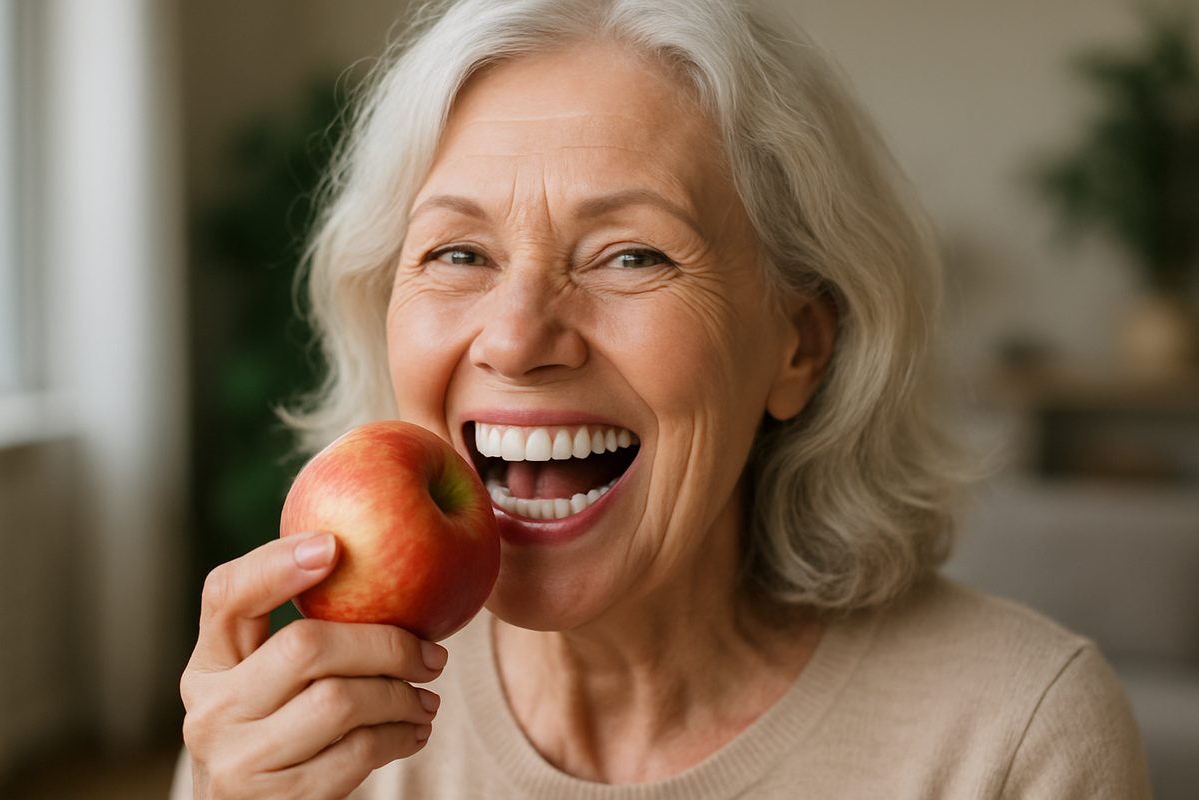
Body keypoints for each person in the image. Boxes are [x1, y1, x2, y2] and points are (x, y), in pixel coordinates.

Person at [174, 0, 1152, 797]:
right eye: (458, 252)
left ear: (798, 346)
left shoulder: (1015, 737)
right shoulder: (306, 723)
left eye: (630, 254)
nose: (516, 337)